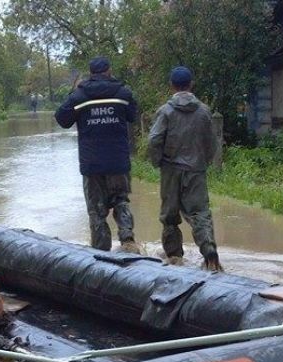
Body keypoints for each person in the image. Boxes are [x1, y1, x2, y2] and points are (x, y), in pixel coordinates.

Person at [55, 57, 140, 253]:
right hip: (118, 161)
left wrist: (74, 91)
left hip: (92, 164)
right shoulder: (122, 93)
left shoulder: (79, 96)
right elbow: (133, 115)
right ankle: (128, 242)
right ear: (109, 71)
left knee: (96, 212)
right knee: (121, 201)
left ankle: (101, 254)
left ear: (91, 73)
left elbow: (62, 119)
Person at [147, 66, 222, 271]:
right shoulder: (204, 111)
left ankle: (174, 258)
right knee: (199, 213)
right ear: (191, 84)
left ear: (172, 86)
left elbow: (154, 139)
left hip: (171, 170)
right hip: (196, 169)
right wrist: (203, 161)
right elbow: (212, 142)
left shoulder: (166, 111)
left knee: (170, 216)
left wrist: (157, 161)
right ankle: (209, 253)